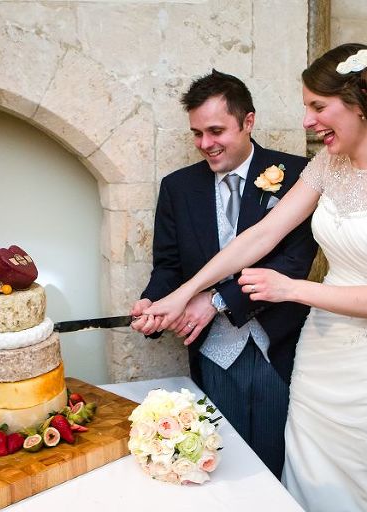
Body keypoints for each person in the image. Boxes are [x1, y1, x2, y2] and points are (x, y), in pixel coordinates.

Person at [144, 44, 367, 511]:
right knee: (307, 473)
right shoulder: (330, 164)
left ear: (359, 101)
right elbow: (261, 235)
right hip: (320, 351)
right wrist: (182, 294)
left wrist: (289, 288)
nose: (307, 120)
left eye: (317, 106)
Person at [130, 70, 318, 478]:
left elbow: (291, 263)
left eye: (216, 131)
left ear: (248, 121)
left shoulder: (299, 175)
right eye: (197, 133)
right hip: (213, 354)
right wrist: (155, 302)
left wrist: (214, 301)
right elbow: (168, 265)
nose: (205, 144)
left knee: (273, 464)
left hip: (278, 346)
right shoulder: (178, 188)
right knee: (221, 464)